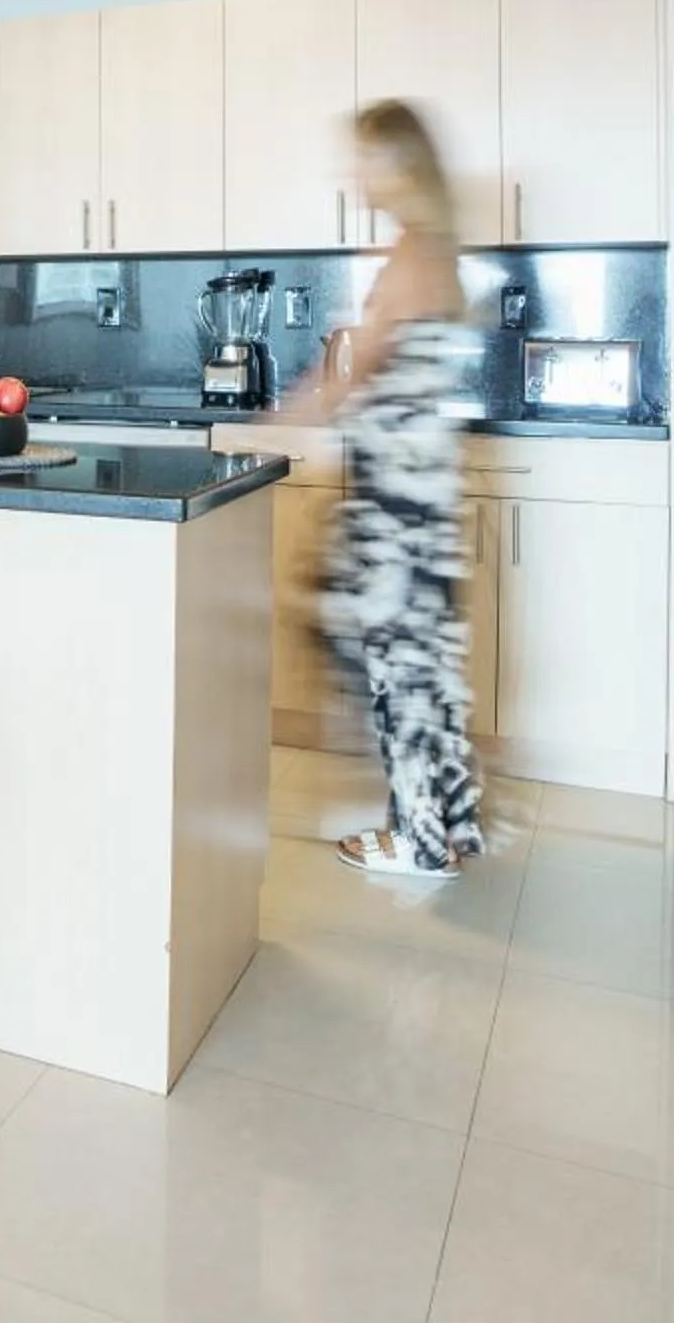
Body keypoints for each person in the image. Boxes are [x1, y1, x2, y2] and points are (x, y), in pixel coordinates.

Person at [297, 99, 486, 878]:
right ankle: (448, 822)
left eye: (366, 157)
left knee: (391, 665)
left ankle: (418, 840)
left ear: (400, 165)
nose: (355, 172)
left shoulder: (410, 256)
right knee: (422, 666)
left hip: (396, 507)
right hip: (421, 496)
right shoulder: (437, 250)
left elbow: (353, 376)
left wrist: (269, 426)